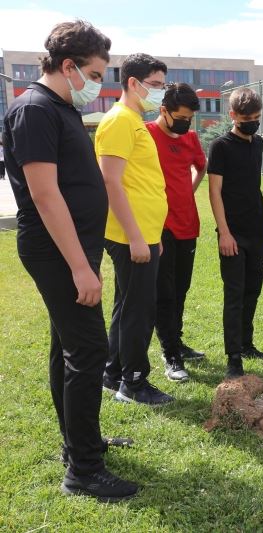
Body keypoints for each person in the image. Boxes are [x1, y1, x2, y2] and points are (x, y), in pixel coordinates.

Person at [2, 19, 138, 501]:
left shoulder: (57, 108)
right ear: (68, 66)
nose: (99, 85)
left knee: (69, 347)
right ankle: (84, 470)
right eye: (96, 73)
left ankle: (79, 444)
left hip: (72, 248)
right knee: (87, 352)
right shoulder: (34, 110)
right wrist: (81, 266)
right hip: (57, 251)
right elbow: (44, 195)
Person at [96, 53, 173, 405]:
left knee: (127, 305)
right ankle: (134, 382)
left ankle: (112, 374)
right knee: (139, 310)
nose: (160, 93)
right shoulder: (119, 121)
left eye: (162, 85)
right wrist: (138, 239)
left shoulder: (133, 120)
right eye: (155, 85)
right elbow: (111, 183)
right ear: (133, 83)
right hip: (132, 236)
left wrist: (151, 237)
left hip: (144, 235)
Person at [207, 87, 263, 379]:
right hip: (233, 234)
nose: (252, 122)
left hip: (258, 230)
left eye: (256, 117)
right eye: (247, 117)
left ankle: (247, 343)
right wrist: (224, 232)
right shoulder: (220, 147)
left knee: (252, 291)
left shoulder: (257, 143)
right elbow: (215, 191)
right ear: (233, 115)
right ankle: (233, 357)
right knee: (234, 294)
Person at [146, 82, 207, 383]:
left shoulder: (191, 138)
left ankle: (177, 339)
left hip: (188, 224)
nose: (187, 123)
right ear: (164, 111)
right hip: (160, 227)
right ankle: (170, 353)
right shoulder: (145, 134)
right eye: (182, 116)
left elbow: (201, 166)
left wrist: (187, 193)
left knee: (181, 288)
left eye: (190, 118)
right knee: (164, 292)